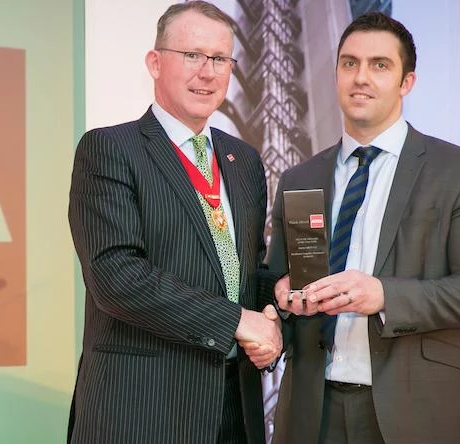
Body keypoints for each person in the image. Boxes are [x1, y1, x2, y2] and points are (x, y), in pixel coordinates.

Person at [266, 12, 460, 444]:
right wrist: (282, 298)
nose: (361, 77)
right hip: (310, 414)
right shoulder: (299, 178)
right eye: (349, 63)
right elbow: (278, 283)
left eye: (380, 65)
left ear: (406, 82)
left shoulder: (459, 170)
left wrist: (383, 295)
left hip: (415, 414)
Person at [67, 2, 283, 443]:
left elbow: (242, 274)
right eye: (192, 55)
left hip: (233, 411)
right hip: (142, 411)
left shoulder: (244, 162)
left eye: (220, 59)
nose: (207, 72)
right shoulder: (110, 150)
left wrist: (275, 301)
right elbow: (116, 277)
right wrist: (237, 322)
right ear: (155, 62)